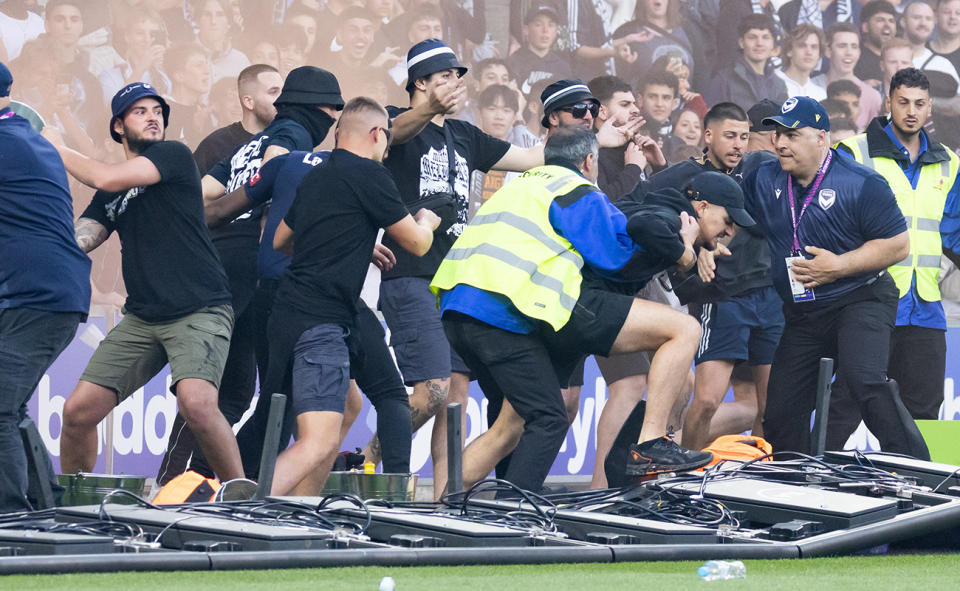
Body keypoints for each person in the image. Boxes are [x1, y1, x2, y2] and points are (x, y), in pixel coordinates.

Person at [431, 127, 725, 493]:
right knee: (551, 415)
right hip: (502, 310)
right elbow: (614, 256)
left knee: (511, 424)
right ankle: (646, 446)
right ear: (589, 161)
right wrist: (682, 251)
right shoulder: (574, 189)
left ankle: (441, 507)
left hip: (459, 307)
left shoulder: (522, 185)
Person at [361, 39, 546, 498]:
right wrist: (427, 108)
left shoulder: (464, 135)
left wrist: (589, 136)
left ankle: (446, 501)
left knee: (455, 400)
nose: (454, 84)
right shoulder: (393, 122)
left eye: (457, 77)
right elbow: (392, 133)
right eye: (443, 76)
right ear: (419, 82)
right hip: (411, 273)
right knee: (434, 391)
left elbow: (530, 160)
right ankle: (369, 458)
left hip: (459, 282)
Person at [43, 82, 244, 480]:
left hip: (199, 308)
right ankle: (79, 509)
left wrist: (56, 147)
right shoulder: (110, 195)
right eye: (140, 111)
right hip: (142, 318)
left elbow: (105, 177)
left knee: (197, 405)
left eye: (157, 110)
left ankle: (241, 499)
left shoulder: (173, 155)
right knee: (77, 413)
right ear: (118, 126)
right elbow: (79, 240)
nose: (153, 116)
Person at [730, 96, 929, 458]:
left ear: (821, 138)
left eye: (792, 134)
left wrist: (838, 266)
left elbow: (898, 245)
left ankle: (917, 470)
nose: (780, 143)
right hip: (804, 312)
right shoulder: (763, 177)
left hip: (861, 298)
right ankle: (794, 483)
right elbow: (728, 213)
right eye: (777, 134)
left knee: (864, 380)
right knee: (781, 409)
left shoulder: (861, 182)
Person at [266, 97, 440, 495]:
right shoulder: (370, 175)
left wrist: (353, 244)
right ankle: (242, 514)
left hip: (289, 310)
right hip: (322, 319)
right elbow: (415, 244)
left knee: (304, 417)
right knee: (321, 439)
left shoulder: (317, 176)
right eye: (387, 143)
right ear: (377, 134)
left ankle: (298, 514)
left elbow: (280, 240)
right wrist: (426, 220)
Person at [193, 66, 343, 483]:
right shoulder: (292, 133)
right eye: (332, 109)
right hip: (257, 272)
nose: (334, 119)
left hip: (224, 269)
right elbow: (281, 176)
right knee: (266, 398)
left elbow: (201, 192)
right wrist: (273, 222)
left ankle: (197, 483)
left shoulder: (246, 146)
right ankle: (228, 488)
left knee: (234, 393)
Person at [828, 68, 960, 446]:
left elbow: (954, 232)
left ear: (930, 106)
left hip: (926, 307)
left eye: (919, 103)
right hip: (867, 301)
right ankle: (814, 478)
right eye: (903, 102)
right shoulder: (852, 152)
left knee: (925, 409)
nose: (911, 111)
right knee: (847, 402)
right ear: (888, 102)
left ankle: (924, 494)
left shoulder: (948, 162)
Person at [640, 103, 782, 451]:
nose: (738, 145)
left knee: (768, 407)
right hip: (719, 298)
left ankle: (761, 479)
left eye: (744, 137)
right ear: (708, 136)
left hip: (769, 296)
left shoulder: (761, 167)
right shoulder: (682, 176)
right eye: (730, 136)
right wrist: (694, 247)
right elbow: (647, 212)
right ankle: (684, 475)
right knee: (705, 402)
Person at [0, 61, 91, 513]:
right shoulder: (26, 137)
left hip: (35, 296)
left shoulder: (5, 143)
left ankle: (12, 519)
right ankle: (45, 506)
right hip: (47, 293)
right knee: (8, 407)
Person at [193, 64, 283, 174]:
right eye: (273, 92)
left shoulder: (292, 139)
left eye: (283, 92)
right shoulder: (215, 145)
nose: (283, 99)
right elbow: (194, 189)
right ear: (248, 102)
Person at [704, 14, 788, 111]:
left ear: (773, 44)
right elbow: (712, 121)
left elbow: (784, 123)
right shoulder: (723, 80)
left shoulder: (779, 85)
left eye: (765, 37)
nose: (759, 43)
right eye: (752, 37)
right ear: (741, 42)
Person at [817, 23, 883, 132]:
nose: (849, 53)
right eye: (842, 46)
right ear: (828, 51)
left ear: (859, 52)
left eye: (854, 47)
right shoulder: (812, 87)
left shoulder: (872, 96)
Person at [776, 25, 827, 101]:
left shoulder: (821, 95)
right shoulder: (773, 83)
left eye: (814, 47)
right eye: (802, 46)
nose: (809, 52)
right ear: (789, 51)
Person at [855, 0, 899, 90]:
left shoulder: (901, 60)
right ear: (865, 27)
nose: (887, 25)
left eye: (891, 21)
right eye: (880, 20)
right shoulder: (855, 58)